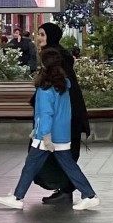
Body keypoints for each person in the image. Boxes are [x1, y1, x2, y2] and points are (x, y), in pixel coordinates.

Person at [0, 47, 99, 211]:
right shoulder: (64, 84)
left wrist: (44, 135)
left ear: (43, 65)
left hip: (47, 136)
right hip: (62, 134)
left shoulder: (44, 89)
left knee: (31, 165)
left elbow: (45, 114)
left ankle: (17, 197)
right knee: (69, 166)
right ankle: (89, 195)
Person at [32, 22, 89, 204]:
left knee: (58, 155)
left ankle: (73, 191)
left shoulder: (55, 57)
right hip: (64, 117)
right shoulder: (54, 55)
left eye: (42, 34)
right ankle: (67, 190)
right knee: (58, 155)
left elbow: (59, 90)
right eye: (38, 34)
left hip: (63, 119)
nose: (39, 38)